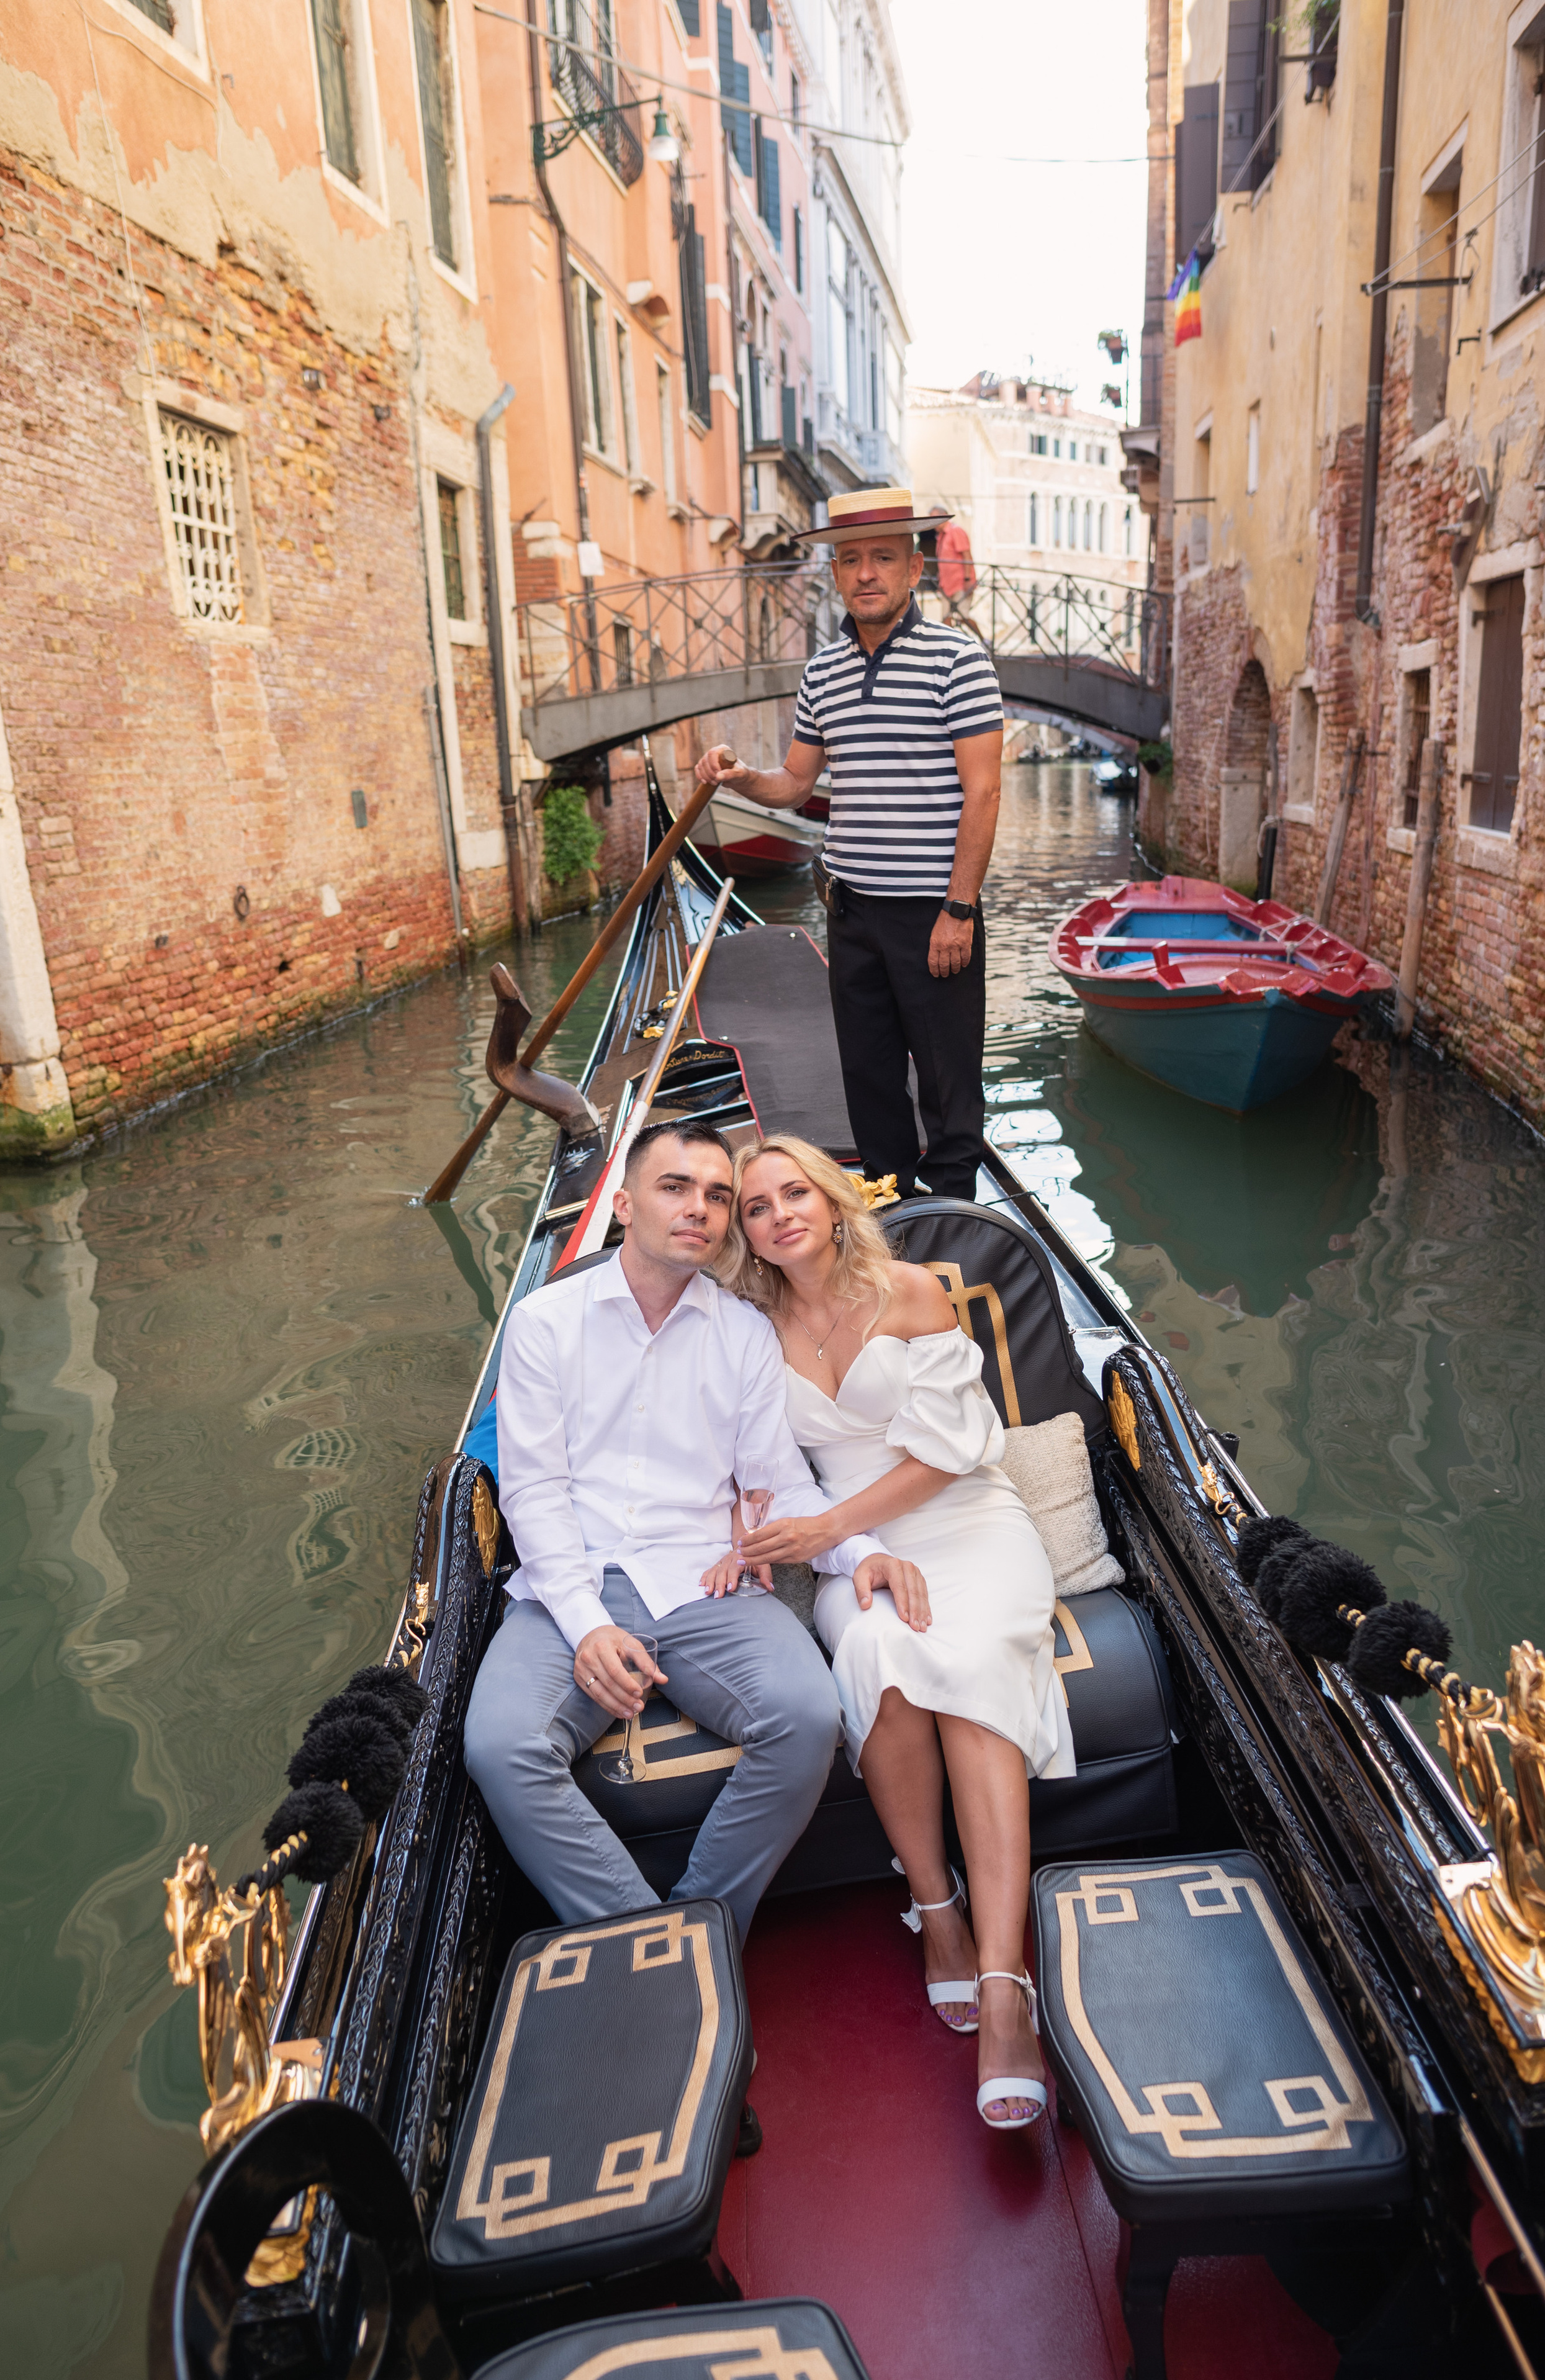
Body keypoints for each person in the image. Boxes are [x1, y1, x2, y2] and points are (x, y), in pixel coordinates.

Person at [462, 1116, 927, 1944]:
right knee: (502, 1747)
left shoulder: (744, 1333)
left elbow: (778, 1485)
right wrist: (588, 1625)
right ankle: (650, 1942)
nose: (700, 1209)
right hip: (570, 1581)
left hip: (706, 1584)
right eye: (676, 1187)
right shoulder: (544, 1322)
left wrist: (862, 1552)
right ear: (625, 1203)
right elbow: (534, 1494)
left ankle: (704, 1927)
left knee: (807, 1715)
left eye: (718, 1195)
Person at [714, 1132, 1074, 2130]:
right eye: (756, 1205)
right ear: (744, 1230)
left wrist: (827, 1519)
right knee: (879, 1651)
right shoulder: (745, 1326)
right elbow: (755, 1461)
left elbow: (956, 1449)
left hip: (965, 1521)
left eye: (797, 1192)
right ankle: (937, 1909)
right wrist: (817, 1532)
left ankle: (1005, 1987)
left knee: (965, 1664)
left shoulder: (912, 1290)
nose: (780, 1213)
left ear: (833, 1201)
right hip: (861, 1549)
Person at [694, 487, 1003, 1202]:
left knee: (948, 1078)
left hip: (933, 910)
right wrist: (740, 778)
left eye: (884, 559)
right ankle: (891, 1207)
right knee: (867, 1075)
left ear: (913, 569)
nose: (867, 573)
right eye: (852, 559)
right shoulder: (823, 672)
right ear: (834, 573)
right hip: (853, 910)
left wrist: (958, 909)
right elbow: (796, 785)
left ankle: (953, 1216)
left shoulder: (959, 662)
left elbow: (983, 794)